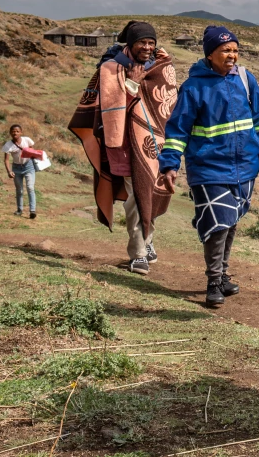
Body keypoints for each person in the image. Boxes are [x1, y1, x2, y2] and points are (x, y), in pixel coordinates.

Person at [159, 26, 259, 307]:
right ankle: (213, 280)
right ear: (210, 54)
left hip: (245, 165)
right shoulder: (193, 87)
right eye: (225, 50)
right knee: (217, 223)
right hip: (208, 167)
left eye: (235, 50)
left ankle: (222, 275)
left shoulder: (246, 80)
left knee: (231, 221)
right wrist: (170, 165)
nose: (232, 55)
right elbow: (178, 130)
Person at [69, 21, 178, 275]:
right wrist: (131, 84)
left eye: (151, 42)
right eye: (142, 42)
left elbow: (168, 101)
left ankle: (148, 241)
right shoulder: (111, 68)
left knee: (153, 193)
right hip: (124, 144)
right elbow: (109, 106)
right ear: (131, 43)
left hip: (156, 145)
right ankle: (138, 253)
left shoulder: (161, 66)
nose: (148, 47)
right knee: (136, 195)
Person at [2, 124, 38, 218]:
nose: (15, 133)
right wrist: (9, 171)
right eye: (13, 131)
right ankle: (19, 210)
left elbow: (32, 149)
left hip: (28, 166)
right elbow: (6, 160)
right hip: (16, 168)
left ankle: (32, 211)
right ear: (10, 133)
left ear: (21, 132)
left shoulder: (27, 140)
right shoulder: (8, 145)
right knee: (19, 190)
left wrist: (29, 152)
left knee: (30, 187)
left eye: (17, 131)